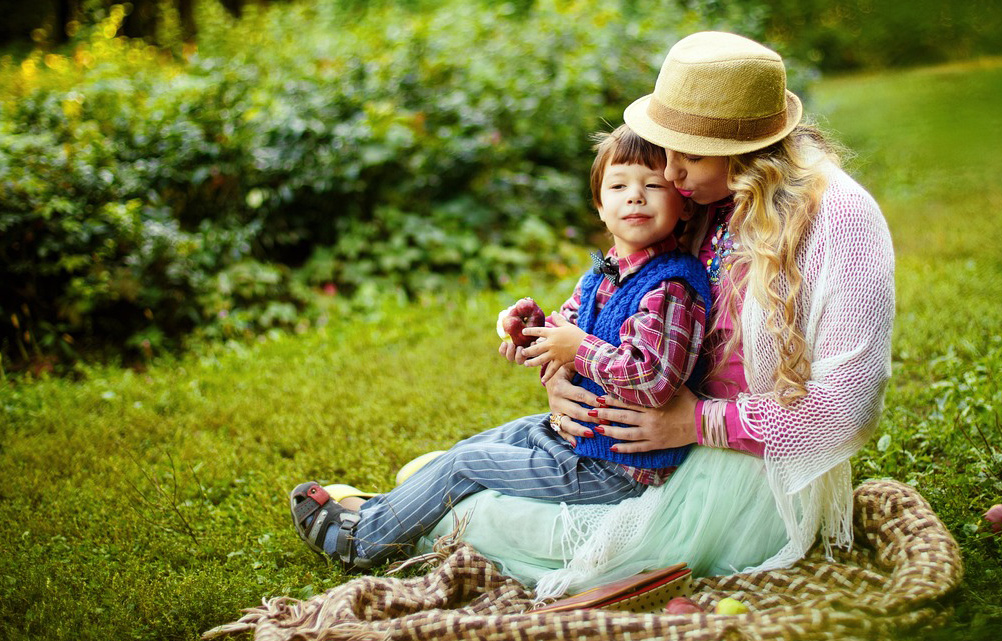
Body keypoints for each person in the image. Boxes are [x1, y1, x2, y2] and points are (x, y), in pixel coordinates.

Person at [417, 31, 895, 599]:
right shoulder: (698, 199)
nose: (668, 173)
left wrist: (694, 422)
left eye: (687, 154)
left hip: (743, 472)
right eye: (664, 148)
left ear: (743, 152)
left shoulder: (840, 219)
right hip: (635, 451)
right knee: (445, 474)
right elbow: (625, 312)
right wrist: (562, 377)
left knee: (471, 511)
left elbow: (847, 410)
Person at [289, 125, 711, 569]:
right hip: (579, 438)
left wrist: (578, 348)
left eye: (653, 185)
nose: (635, 197)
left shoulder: (671, 286)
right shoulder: (603, 274)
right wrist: (532, 331)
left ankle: (361, 544)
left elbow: (654, 379)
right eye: (619, 185)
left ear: (682, 205)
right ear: (600, 207)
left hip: (619, 468)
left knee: (467, 464)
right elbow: (564, 332)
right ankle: (385, 513)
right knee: (473, 445)